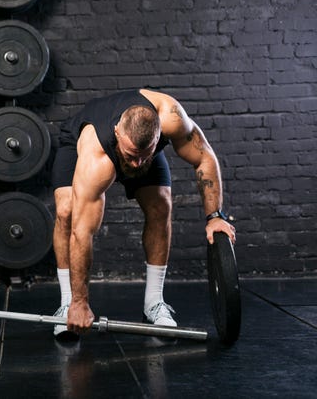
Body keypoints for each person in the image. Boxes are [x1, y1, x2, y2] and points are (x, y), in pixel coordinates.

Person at [51, 88, 236, 339]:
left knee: (161, 205)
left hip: (138, 145)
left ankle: (154, 302)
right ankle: (67, 302)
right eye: (131, 157)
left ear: (159, 132)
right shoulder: (96, 156)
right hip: (79, 144)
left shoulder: (171, 116)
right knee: (67, 212)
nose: (136, 165)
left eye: (143, 157)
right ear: (118, 133)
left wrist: (214, 216)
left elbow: (204, 158)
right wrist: (80, 302)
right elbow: (81, 232)